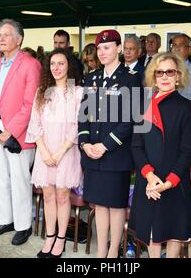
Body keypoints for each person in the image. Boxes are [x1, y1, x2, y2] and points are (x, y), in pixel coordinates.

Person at [78, 29, 141, 258]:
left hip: (115, 154)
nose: (102, 52)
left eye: (107, 47)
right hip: (92, 152)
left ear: (118, 49)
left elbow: (130, 121)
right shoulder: (91, 78)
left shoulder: (131, 78)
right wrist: (84, 144)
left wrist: (104, 146)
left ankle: (114, 250)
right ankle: (101, 250)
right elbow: (83, 116)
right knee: (98, 204)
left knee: (115, 205)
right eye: (99, 48)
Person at [129, 52, 191, 258]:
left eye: (170, 72)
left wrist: (169, 182)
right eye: (160, 72)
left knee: (174, 232)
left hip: (174, 181)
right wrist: (149, 176)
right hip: (149, 180)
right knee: (151, 235)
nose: (164, 77)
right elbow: (136, 146)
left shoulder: (188, 108)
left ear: (178, 76)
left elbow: (187, 151)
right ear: (153, 76)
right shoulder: (143, 106)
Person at [0, 19, 41, 245]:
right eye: (0, 34)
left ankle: (23, 225)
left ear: (19, 39)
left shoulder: (30, 64)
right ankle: (4, 219)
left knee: (19, 180)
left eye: (7, 34)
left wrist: (12, 131)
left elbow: (31, 103)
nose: (2, 38)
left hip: (18, 133)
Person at [26, 48, 83, 258]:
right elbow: (34, 123)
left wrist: (59, 153)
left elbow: (77, 126)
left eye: (61, 63)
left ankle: (61, 239)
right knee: (48, 195)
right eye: (52, 64)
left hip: (66, 151)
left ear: (69, 66)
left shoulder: (77, 92)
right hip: (45, 152)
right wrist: (43, 150)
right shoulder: (42, 91)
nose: (56, 68)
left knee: (62, 195)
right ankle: (49, 236)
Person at [171, 33, 191, 103]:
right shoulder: (161, 69)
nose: (177, 48)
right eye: (174, 45)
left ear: (189, 49)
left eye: (181, 45)